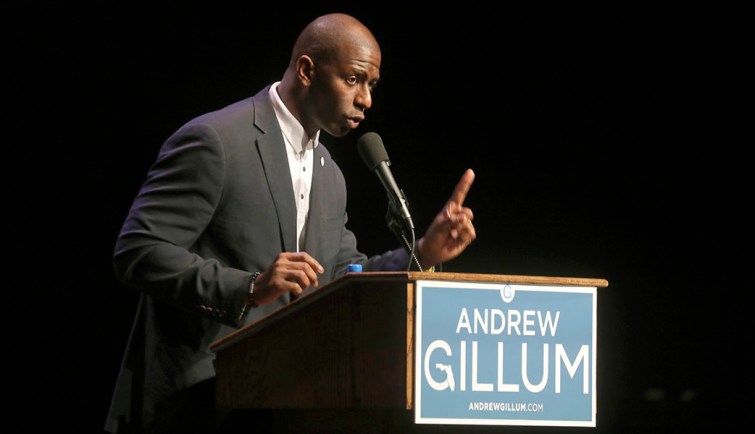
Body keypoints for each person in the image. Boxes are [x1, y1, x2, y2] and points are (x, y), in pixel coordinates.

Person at [104, 12, 476, 434]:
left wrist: (424, 252)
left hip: (284, 403)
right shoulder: (217, 141)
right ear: (306, 70)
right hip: (194, 403)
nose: (366, 100)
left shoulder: (329, 172)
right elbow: (138, 251)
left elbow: (340, 276)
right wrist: (248, 287)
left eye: (371, 85)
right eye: (353, 79)